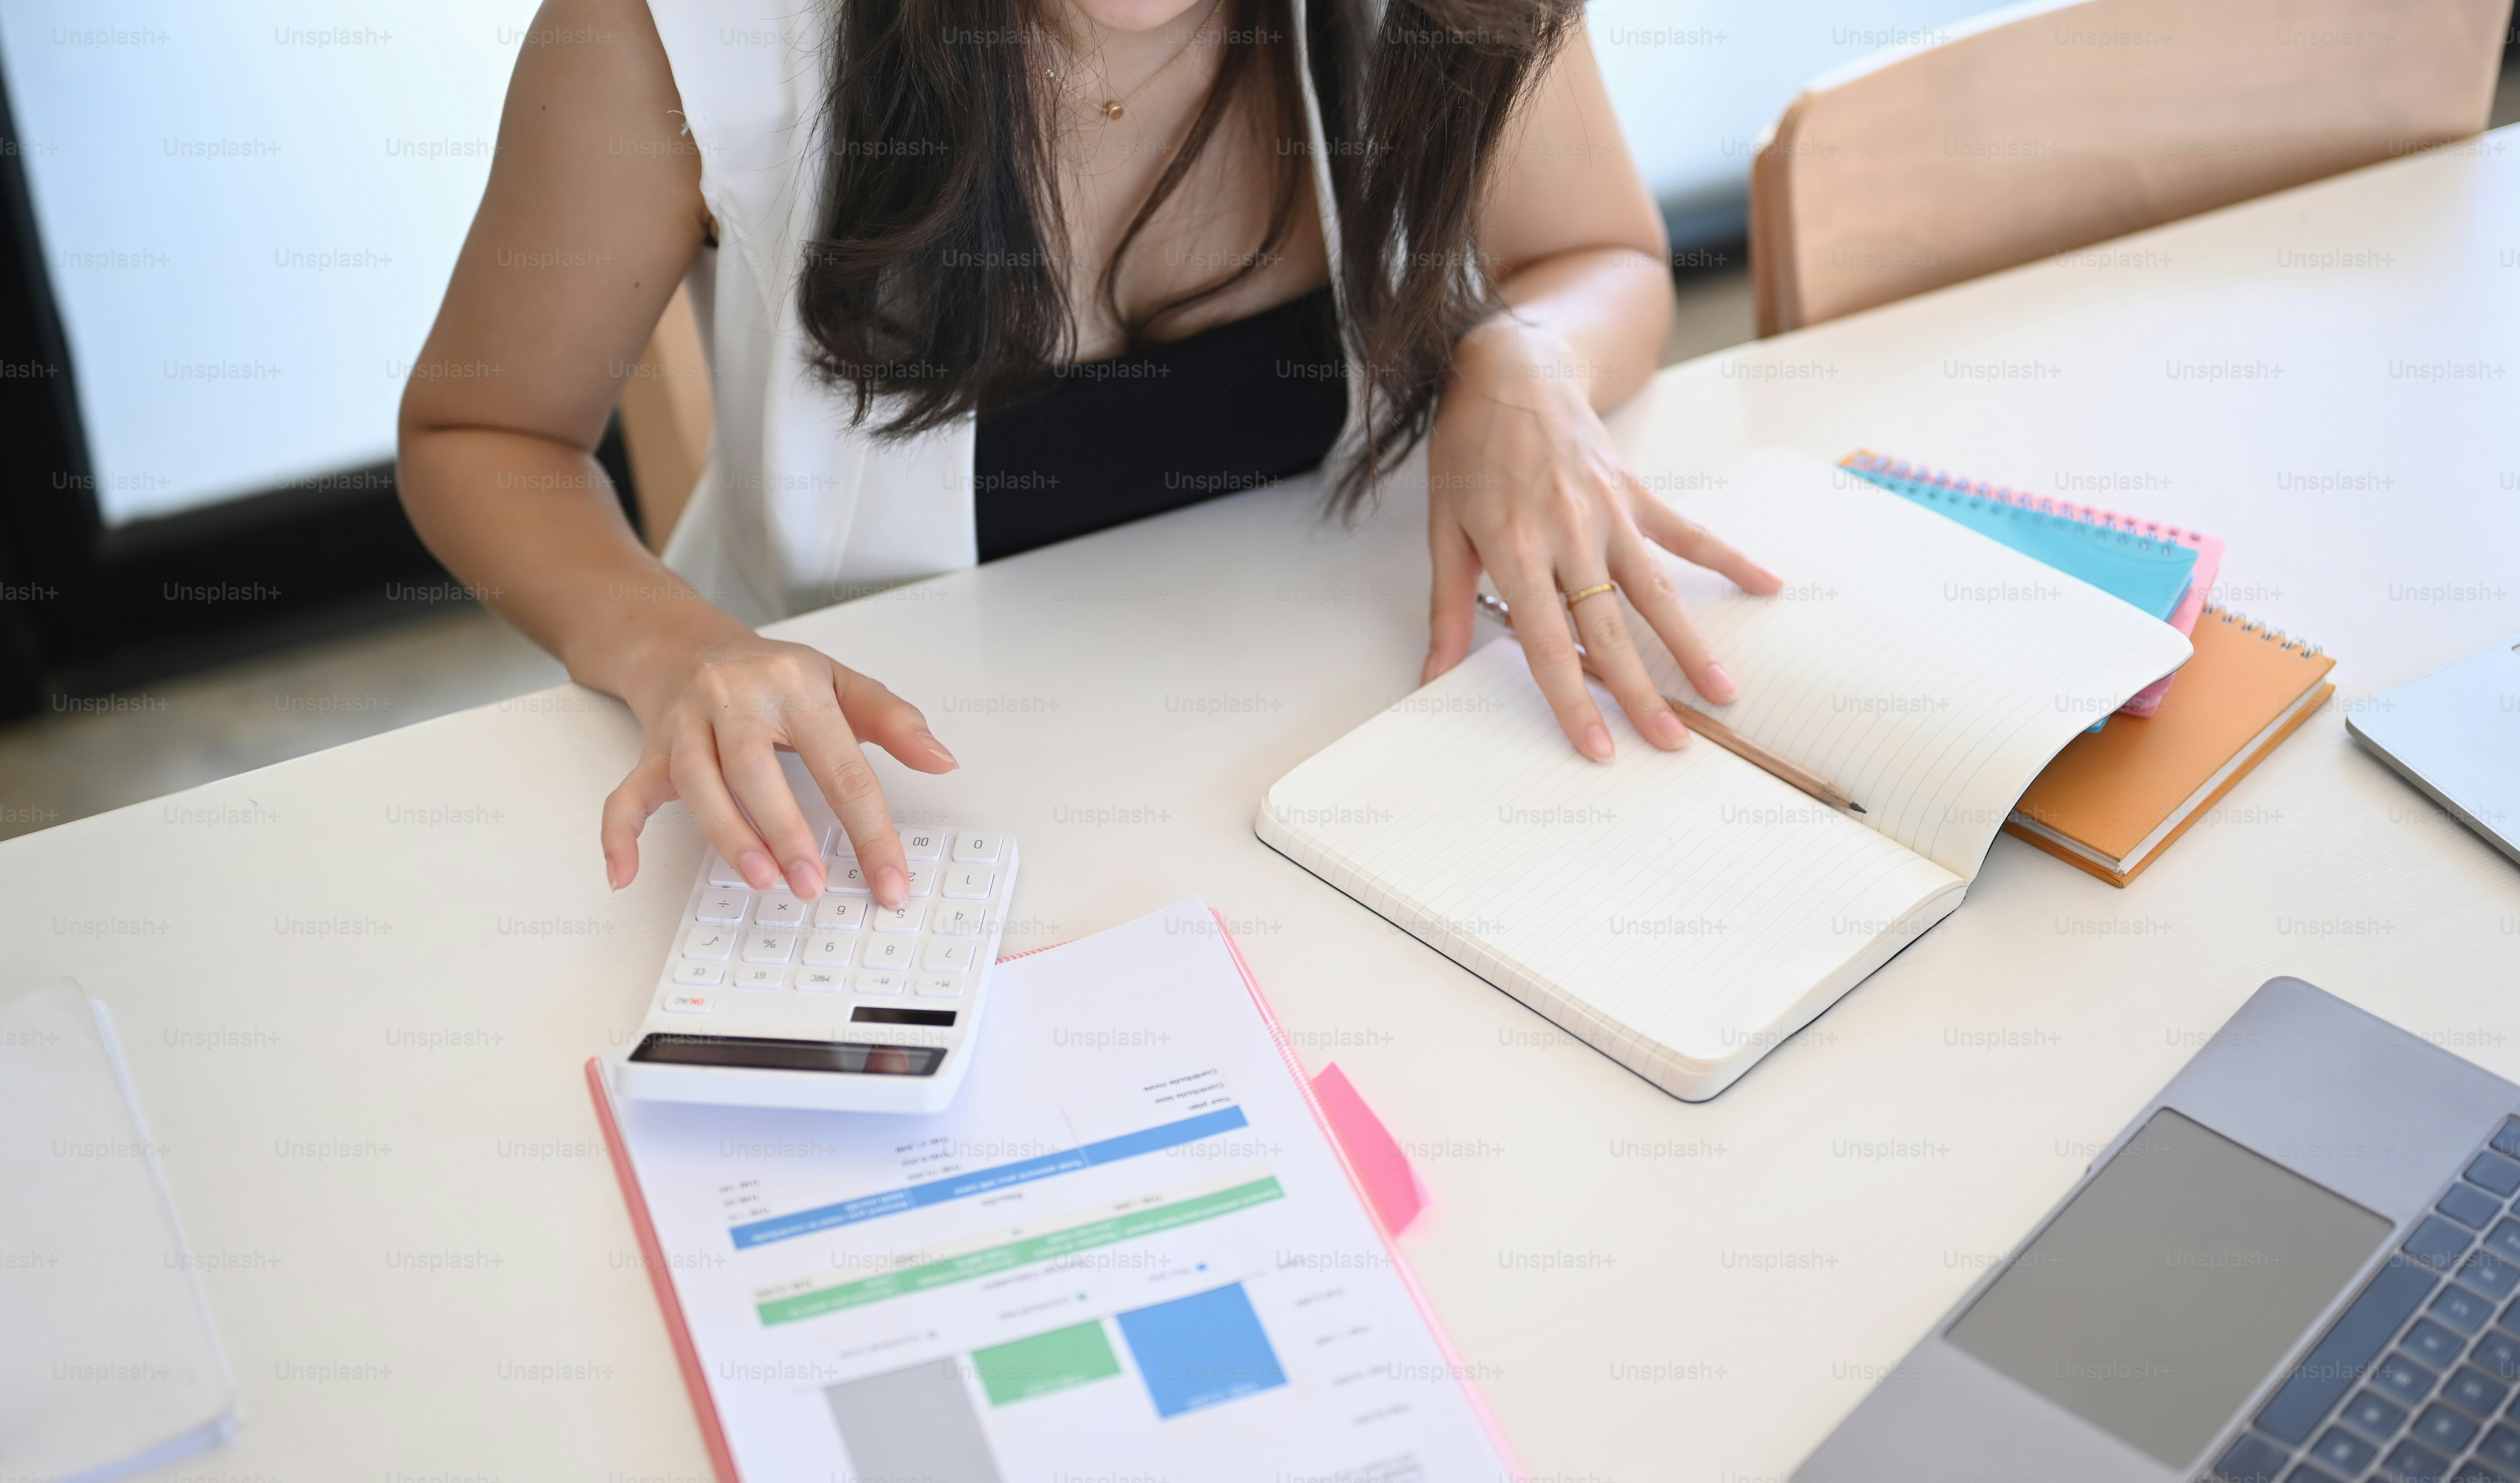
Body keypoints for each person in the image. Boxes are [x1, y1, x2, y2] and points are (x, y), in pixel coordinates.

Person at [396, 0, 1778, 912]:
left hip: (1333, 777)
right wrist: (666, 645)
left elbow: (1600, 254)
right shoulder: (684, 32)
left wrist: (1522, 357)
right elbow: (482, 434)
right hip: (883, 826)